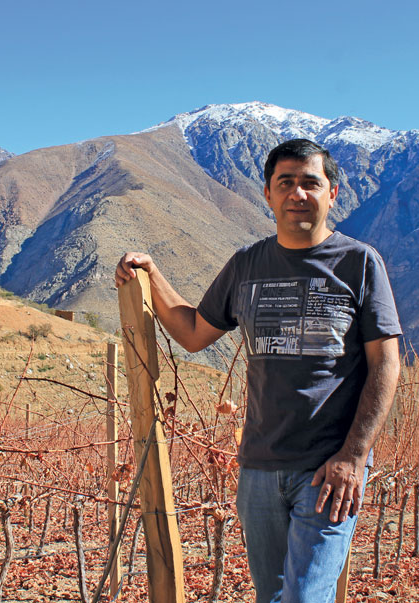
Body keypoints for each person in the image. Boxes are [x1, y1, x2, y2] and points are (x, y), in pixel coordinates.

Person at [115, 139, 401, 602]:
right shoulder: (247, 264)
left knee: (304, 597)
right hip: (259, 469)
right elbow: (192, 332)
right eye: (285, 182)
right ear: (267, 193)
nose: (298, 193)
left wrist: (353, 456)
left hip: (328, 468)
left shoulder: (359, 263)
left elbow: (385, 364)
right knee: (270, 596)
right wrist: (151, 272)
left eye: (311, 182)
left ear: (332, 194)